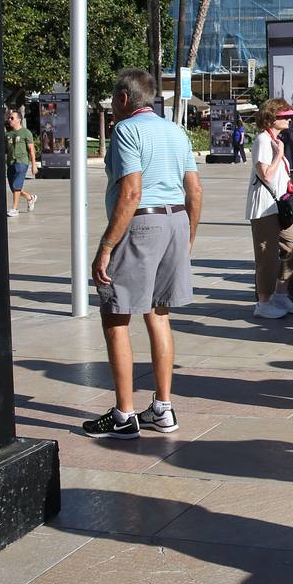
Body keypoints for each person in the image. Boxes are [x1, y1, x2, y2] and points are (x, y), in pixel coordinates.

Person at [83, 68, 203, 440]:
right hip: (176, 221)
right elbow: (195, 191)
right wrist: (188, 239)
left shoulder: (126, 130)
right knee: (158, 314)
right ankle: (163, 408)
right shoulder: (175, 131)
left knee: (116, 316)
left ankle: (124, 415)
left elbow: (132, 192)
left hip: (143, 223)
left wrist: (105, 247)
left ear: (122, 99)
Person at [247, 98, 293, 319]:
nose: (289, 119)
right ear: (272, 118)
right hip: (264, 208)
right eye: (284, 116)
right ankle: (263, 303)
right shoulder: (263, 140)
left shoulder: (273, 139)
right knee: (267, 256)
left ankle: (281, 294)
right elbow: (266, 175)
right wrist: (280, 154)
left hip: (277, 206)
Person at [5, 110, 39, 217]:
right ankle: (30, 198)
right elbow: (5, 150)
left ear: (19, 120)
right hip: (10, 163)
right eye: (9, 118)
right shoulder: (8, 134)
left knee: (16, 185)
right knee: (13, 187)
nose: (9, 120)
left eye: (12, 118)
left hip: (22, 162)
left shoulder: (26, 132)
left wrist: (33, 165)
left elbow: (31, 150)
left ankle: (14, 209)